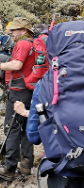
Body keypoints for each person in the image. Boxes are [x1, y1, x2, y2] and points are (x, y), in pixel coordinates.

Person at [0, 17, 36, 181]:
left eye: (14, 30)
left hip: (18, 91)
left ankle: (9, 169)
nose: (10, 32)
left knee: (12, 129)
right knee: (26, 130)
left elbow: (16, 65)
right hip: (29, 91)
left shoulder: (22, 44)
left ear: (24, 30)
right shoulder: (33, 44)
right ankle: (26, 166)